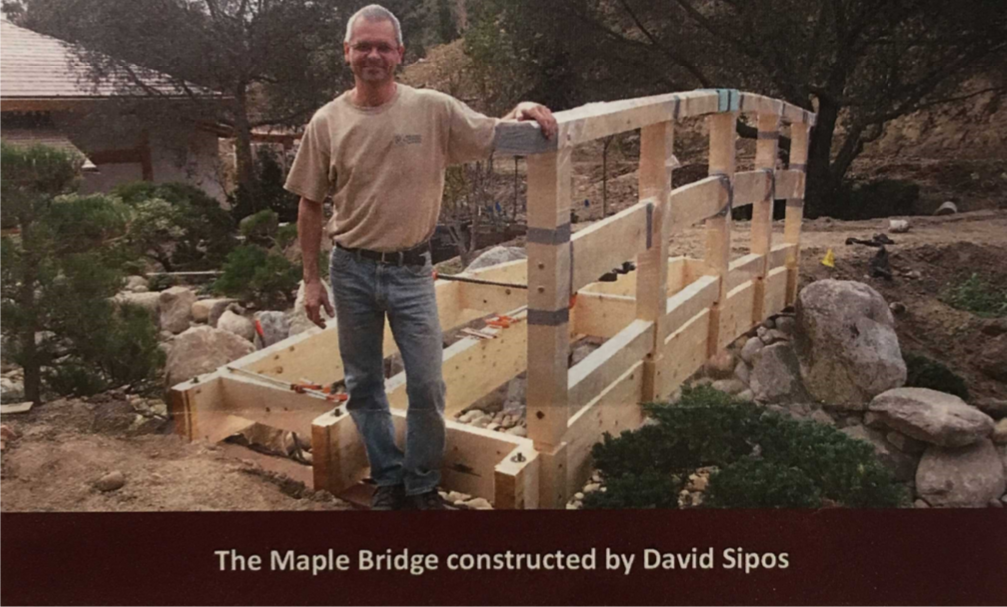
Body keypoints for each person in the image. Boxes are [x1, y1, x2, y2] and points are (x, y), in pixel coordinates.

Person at [284, 4, 557, 510]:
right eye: (363, 46)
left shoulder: (431, 109)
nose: (372, 55)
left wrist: (522, 108)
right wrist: (311, 280)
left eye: (382, 47)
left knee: (427, 384)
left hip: (411, 272)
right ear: (347, 52)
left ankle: (422, 485)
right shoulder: (327, 122)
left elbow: (491, 133)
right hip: (351, 269)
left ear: (399, 54)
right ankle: (388, 480)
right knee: (363, 384)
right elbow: (310, 203)